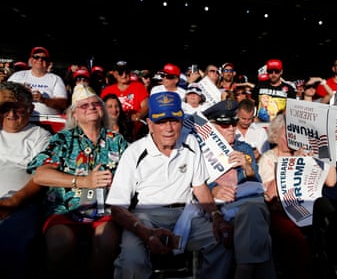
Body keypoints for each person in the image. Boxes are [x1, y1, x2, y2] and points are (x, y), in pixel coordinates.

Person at [106, 91, 233, 279]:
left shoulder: (190, 143)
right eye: (161, 122)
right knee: (132, 259)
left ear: (182, 121)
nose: (169, 128)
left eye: (174, 120)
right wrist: (146, 233)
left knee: (222, 242)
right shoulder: (134, 153)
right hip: (145, 217)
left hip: (186, 215)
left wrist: (215, 215)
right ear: (149, 124)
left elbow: (199, 186)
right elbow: (117, 206)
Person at [26, 84, 129, 279]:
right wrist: (83, 181)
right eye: (84, 105)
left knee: (107, 241)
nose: (91, 107)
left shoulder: (116, 140)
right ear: (74, 114)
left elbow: (135, 170)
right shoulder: (63, 140)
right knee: (60, 244)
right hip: (65, 210)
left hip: (105, 212)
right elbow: (40, 175)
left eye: (96, 104)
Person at [202, 100, 276, 279]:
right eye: (224, 124)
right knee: (257, 225)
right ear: (212, 127)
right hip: (215, 209)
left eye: (233, 123)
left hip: (242, 205)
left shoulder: (244, 148)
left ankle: (244, 270)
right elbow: (193, 183)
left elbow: (256, 185)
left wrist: (248, 167)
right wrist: (212, 191)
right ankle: (247, 270)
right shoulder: (201, 149)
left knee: (252, 211)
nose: (231, 128)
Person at [257, 113, 336, 279]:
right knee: (295, 239)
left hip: (309, 209)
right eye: (288, 134)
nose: (292, 139)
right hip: (280, 210)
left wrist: (322, 154)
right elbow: (269, 193)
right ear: (276, 135)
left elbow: (330, 182)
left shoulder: (304, 155)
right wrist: (293, 165)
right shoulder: (268, 158)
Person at [0, 82, 52, 279]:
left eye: (18, 109)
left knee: (8, 241)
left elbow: (41, 177)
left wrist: (13, 203)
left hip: (20, 204)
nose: (11, 115)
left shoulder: (40, 136)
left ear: (30, 110)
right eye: (6, 108)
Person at [7, 46, 68, 115]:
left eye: (44, 58)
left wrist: (43, 100)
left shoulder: (56, 79)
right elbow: (4, 95)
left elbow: (63, 104)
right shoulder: (17, 76)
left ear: (48, 62)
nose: (40, 60)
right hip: (19, 118)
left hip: (48, 120)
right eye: (36, 57)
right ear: (31, 60)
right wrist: (20, 93)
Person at [100, 60, 149, 142]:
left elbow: (146, 105)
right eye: (120, 73)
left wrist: (138, 115)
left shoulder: (138, 86)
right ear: (115, 74)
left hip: (134, 128)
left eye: (127, 72)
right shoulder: (107, 91)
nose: (124, 75)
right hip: (113, 128)